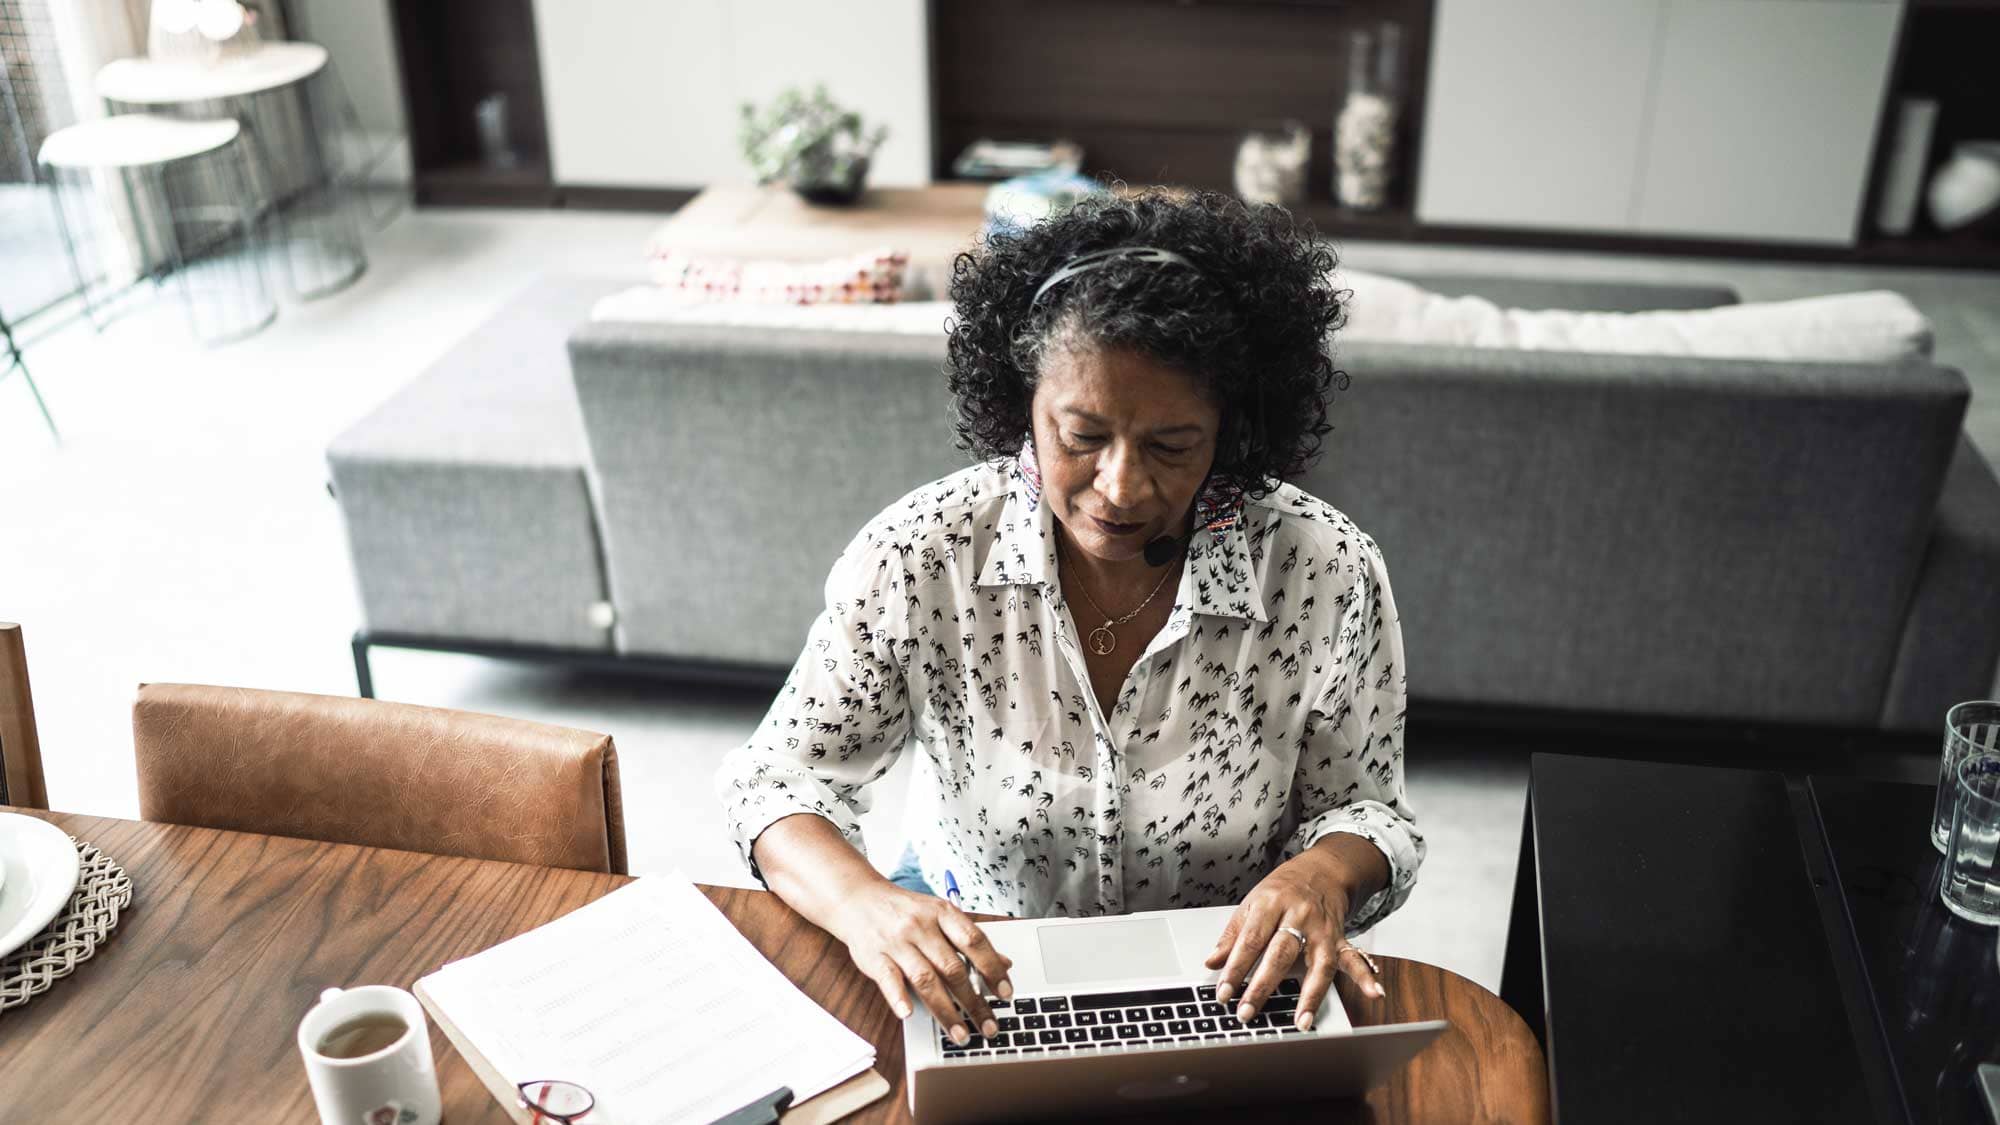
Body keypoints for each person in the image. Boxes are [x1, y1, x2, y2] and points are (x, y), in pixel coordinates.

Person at [714, 189, 1422, 1049]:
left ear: (1233, 431)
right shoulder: (921, 552)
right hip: (979, 948)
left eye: (1171, 446)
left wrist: (1323, 875)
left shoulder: (1327, 569)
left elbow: (1371, 813)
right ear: (1022, 406)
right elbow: (775, 780)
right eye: (1081, 435)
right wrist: (865, 903)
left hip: (1221, 974)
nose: (1121, 487)